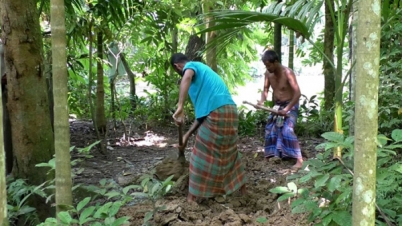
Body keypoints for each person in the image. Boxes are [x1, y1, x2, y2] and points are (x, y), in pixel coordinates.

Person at [170, 53, 247, 203]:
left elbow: (186, 76)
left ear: (177, 67)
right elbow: (202, 117)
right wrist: (186, 136)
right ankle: (243, 190)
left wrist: (180, 106)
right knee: (229, 152)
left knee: (200, 155)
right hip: (229, 111)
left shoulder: (191, 67)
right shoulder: (204, 76)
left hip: (217, 112)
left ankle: (191, 198)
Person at [257, 50, 303, 170]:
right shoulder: (268, 74)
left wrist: (287, 109)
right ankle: (272, 154)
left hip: (291, 104)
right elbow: (265, 90)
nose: (268, 68)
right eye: (266, 66)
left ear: (276, 62)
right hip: (278, 105)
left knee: (287, 129)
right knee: (270, 128)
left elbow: (298, 93)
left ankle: (299, 159)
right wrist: (261, 102)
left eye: (269, 65)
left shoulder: (287, 72)